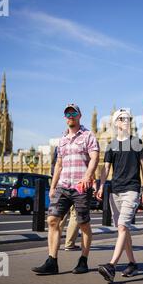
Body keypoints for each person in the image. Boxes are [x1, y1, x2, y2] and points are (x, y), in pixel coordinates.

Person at [32, 103, 99, 274]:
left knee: (83, 224)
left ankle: (83, 260)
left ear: (79, 115)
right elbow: (59, 165)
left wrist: (88, 175)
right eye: (68, 113)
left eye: (73, 113)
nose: (70, 116)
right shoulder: (61, 140)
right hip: (63, 185)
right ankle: (52, 261)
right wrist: (53, 186)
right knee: (52, 220)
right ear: (65, 117)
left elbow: (94, 157)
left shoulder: (88, 135)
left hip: (80, 186)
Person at [96, 108, 143, 283]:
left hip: (132, 189)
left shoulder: (136, 142)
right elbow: (105, 168)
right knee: (123, 229)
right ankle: (133, 263)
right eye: (123, 118)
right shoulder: (111, 145)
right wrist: (102, 186)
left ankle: (111, 266)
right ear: (116, 122)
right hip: (115, 191)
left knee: (122, 226)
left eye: (128, 118)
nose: (126, 121)